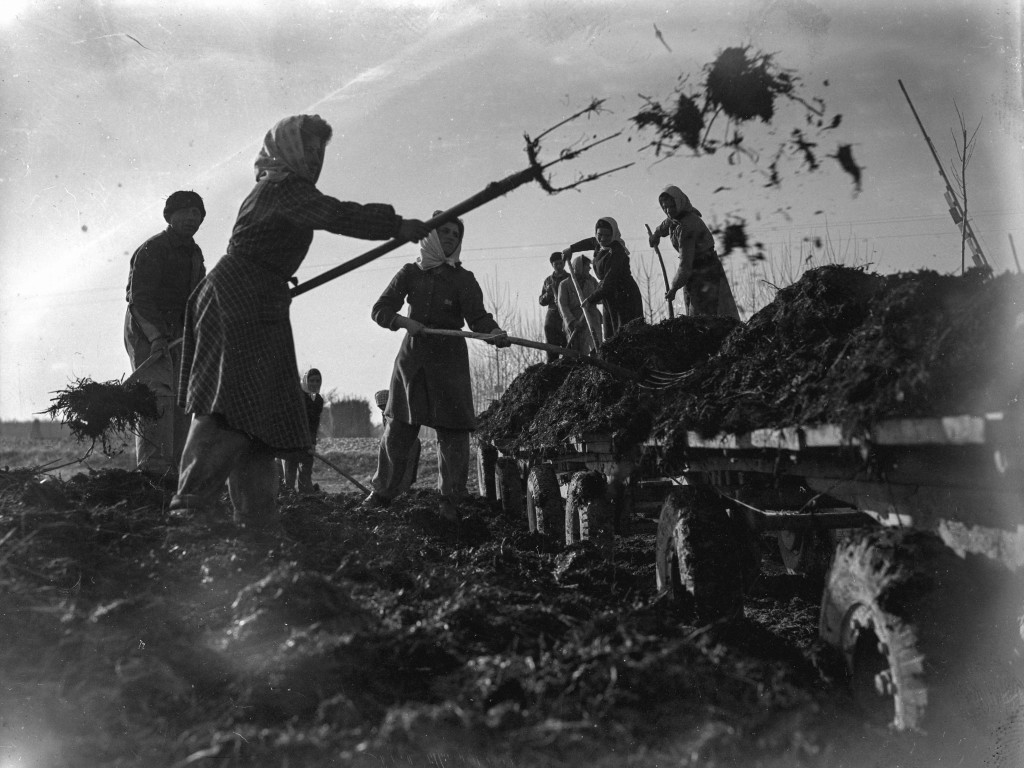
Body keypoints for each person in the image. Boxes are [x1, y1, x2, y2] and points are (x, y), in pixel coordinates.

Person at [169, 114, 429, 535]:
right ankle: (190, 511)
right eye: (307, 148)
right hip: (241, 300)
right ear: (287, 149)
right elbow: (335, 214)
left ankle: (256, 524)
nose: (314, 157)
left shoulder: (274, 188)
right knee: (232, 406)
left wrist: (278, 275)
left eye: (320, 150)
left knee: (257, 418)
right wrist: (395, 226)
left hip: (257, 296)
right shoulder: (283, 187)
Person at [366, 212, 511, 520]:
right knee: (399, 430)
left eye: (455, 234)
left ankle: (450, 501)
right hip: (413, 361)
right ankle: (382, 493)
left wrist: (494, 333)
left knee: (454, 434)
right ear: (431, 235)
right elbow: (380, 310)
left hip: (449, 363)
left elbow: (479, 319)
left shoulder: (463, 279)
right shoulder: (411, 272)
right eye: (443, 231)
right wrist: (406, 322)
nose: (449, 237)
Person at [123, 190, 207, 477]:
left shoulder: (195, 254)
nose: (191, 218)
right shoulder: (153, 249)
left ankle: (177, 474)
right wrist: (157, 336)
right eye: (185, 212)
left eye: (196, 213)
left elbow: (201, 297)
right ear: (170, 216)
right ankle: (153, 475)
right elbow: (139, 299)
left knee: (183, 397)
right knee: (157, 395)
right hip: (147, 328)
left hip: (181, 332)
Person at [648, 185, 740, 319]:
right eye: (665, 208)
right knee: (695, 312)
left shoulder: (687, 226)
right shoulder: (677, 216)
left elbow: (685, 264)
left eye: (671, 206)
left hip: (705, 271)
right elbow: (666, 224)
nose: (668, 211)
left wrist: (673, 288)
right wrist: (656, 234)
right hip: (693, 273)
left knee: (704, 316)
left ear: (679, 202)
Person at [562, 216, 644, 340]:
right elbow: (590, 242)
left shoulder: (617, 252)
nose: (603, 239)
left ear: (614, 234)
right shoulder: (599, 243)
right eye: (600, 235)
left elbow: (610, 281)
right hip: (608, 294)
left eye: (607, 235)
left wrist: (590, 299)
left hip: (624, 295)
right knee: (610, 333)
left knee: (625, 333)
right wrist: (571, 248)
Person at [282, 368, 325, 494]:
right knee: (289, 474)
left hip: (306, 442)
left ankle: (306, 498)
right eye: (311, 381)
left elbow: (314, 424)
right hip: (292, 441)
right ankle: (288, 500)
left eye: (317, 381)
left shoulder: (318, 400)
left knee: (306, 472)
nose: (315, 384)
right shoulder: (297, 398)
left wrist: (312, 443)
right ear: (305, 382)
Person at [556, 254, 603, 354]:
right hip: (576, 321)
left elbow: (600, 297)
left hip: (592, 317)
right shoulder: (564, 284)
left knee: (596, 346)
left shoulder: (592, 281)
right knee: (577, 351)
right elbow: (563, 306)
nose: (590, 268)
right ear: (579, 267)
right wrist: (572, 321)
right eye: (587, 266)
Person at [538, 251, 569, 361]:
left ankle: (567, 363)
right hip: (553, 312)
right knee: (549, 332)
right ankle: (552, 363)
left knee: (567, 338)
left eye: (561, 263)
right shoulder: (548, 281)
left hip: (566, 312)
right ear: (552, 265)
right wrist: (548, 294)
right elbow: (541, 301)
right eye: (556, 264)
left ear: (564, 263)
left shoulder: (569, 278)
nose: (559, 266)